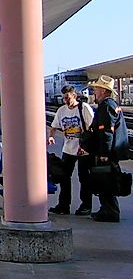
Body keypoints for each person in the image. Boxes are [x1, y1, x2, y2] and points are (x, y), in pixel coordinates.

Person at [47, 85, 94, 215]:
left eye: (68, 98)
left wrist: (84, 145)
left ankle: (86, 205)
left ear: (74, 96)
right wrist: (51, 136)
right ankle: (63, 205)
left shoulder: (84, 108)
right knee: (64, 176)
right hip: (68, 149)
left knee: (84, 178)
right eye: (64, 99)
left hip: (83, 150)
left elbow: (91, 129)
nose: (66, 101)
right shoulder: (61, 110)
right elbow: (54, 126)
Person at [86, 75, 124, 222]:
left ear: (103, 90)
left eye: (96, 88)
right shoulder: (111, 104)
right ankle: (106, 209)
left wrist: (104, 153)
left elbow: (107, 131)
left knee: (106, 181)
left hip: (107, 151)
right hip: (109, 150)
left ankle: (110, 212)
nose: (94, 91)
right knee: (106, 180)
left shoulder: (106, 106)